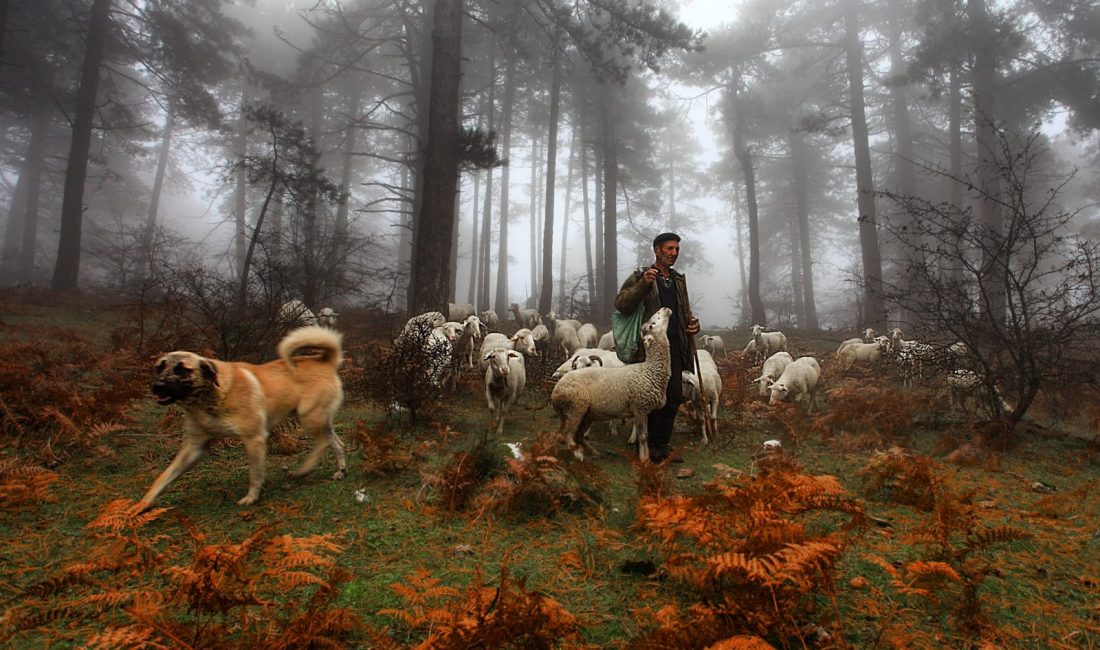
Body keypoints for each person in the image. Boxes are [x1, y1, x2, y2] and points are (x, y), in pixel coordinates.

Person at [614, 232, 700, 463]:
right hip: (651, 350)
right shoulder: (641, 277)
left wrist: (692, 325)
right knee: (651, 398)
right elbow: (621, 305)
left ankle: (662, 444)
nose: (674, 253)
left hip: (676, 348)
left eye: (677, 250)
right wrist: (643, 285)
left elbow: (683, 311)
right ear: (657, 250)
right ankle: (648, 445)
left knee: (672, 398)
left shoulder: (678, 280)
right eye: (669, 249)